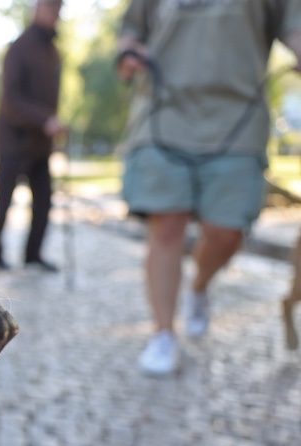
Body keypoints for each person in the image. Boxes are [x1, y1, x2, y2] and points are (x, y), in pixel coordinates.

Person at [117, 0, 301, 376]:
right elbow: (132, 30)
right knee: (166, 225)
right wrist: (129, 52)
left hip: (238, 116)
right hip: (163, 113)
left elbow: (293, 24)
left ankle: (198, 286)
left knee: (227, 232)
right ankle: (164, 333)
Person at [0, 0, 67, 272]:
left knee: (44, 201)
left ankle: (33, 254)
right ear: (37, 9)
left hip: (41, 145)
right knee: (4, 201)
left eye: (58, 8)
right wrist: (44, 119)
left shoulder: (53, 51)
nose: (54, 13)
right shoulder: (19, 47)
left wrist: (54, 122)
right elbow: (11, 99)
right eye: (49, 7)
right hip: (15, 140)